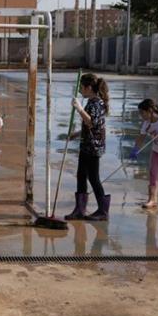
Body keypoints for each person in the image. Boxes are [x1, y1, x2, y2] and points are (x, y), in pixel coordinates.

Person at [65, 73, 111, 221]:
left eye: (81, 88)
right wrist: (76, 134)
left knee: (93, 178)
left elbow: (93, 123)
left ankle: (103, 211)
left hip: (93, 146)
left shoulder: (96, 103)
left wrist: (79, 108)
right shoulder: (92, 102)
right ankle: (80, 209)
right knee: (81, 176)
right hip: (87, 144)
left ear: (88, 87)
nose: (80, 91)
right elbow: (90, 126)